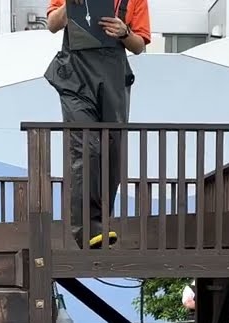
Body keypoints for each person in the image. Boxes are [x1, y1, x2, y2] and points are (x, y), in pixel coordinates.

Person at [44, 0, 150, 249]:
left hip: (113, 78)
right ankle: (86, 229)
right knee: (85, 147)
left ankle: (100, 223)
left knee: (112, 151)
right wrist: (71, 4)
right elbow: (52, 24)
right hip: (76, 79)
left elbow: (139, 46)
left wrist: (124, 32)